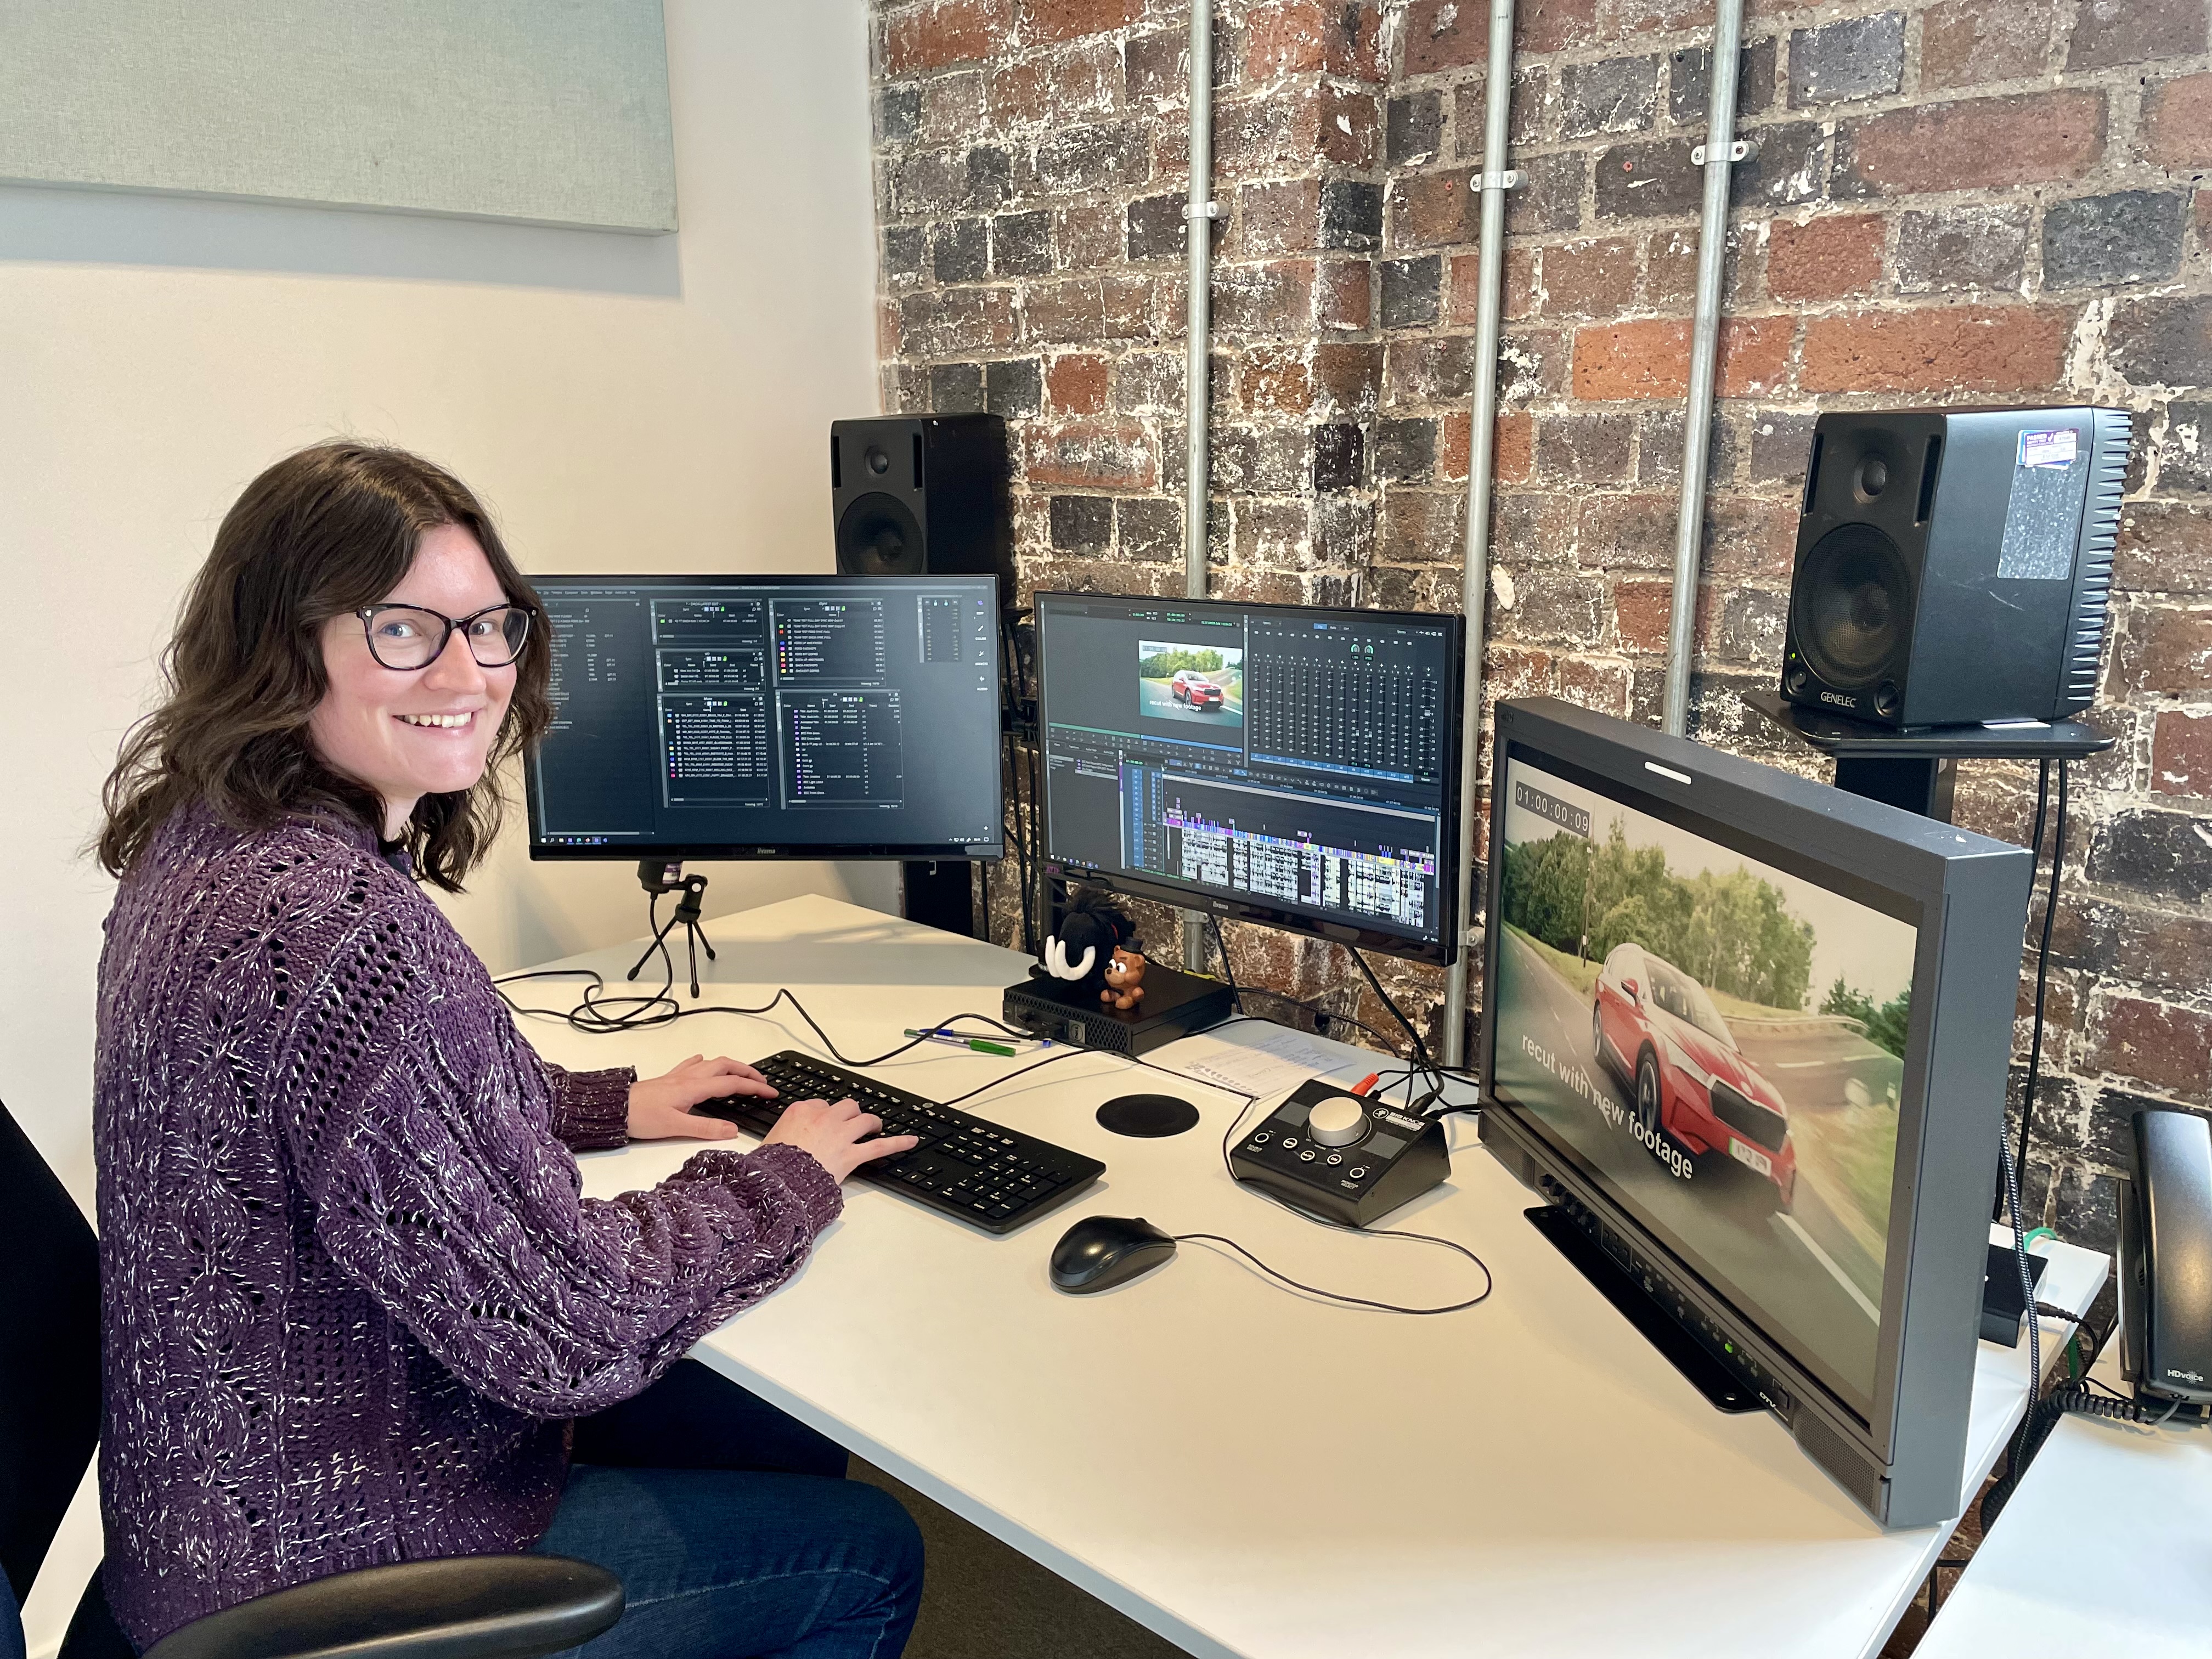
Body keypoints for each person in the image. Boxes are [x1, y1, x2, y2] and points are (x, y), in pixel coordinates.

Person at [91, 442, 923, 1657]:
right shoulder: (336, 929)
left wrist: (606, 1101)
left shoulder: (210, 847)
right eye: (404, 630)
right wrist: (783, 1174)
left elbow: (361, 1104)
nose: (472, 673)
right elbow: (567, 1325)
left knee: (749, 1419)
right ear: (285, 643)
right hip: (345, 1571)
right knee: (865, 1552)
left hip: (213, 1526)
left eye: (493, 628)